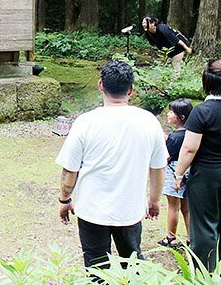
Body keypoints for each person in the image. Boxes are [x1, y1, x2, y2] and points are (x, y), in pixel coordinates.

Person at [56, 60, 167, 268]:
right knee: (132, 264)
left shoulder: (85, 123)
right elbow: (158, 167)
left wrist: (64, 199)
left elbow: (70, 170)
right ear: (131, 90)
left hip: (92, 209)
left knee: (97, 267)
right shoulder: (149, 121)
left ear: (101, 85)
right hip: (130, 209)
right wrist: (154, 200)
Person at [173, 59, 221, 271]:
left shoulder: (202, 111)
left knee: (203, 226)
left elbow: (189, 148)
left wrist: (179, 173)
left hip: (206, 175)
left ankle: (204, 273)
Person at [158, 98, 193, 248]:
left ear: (181, 117)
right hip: (188, 173)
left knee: (173, 206)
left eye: (172, 112)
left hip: (174, 173)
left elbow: (166, 156)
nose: (168, 114)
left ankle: (170, 237)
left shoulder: (175, 137)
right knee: (186, 208)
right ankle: (192, 238)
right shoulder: (191, 134)